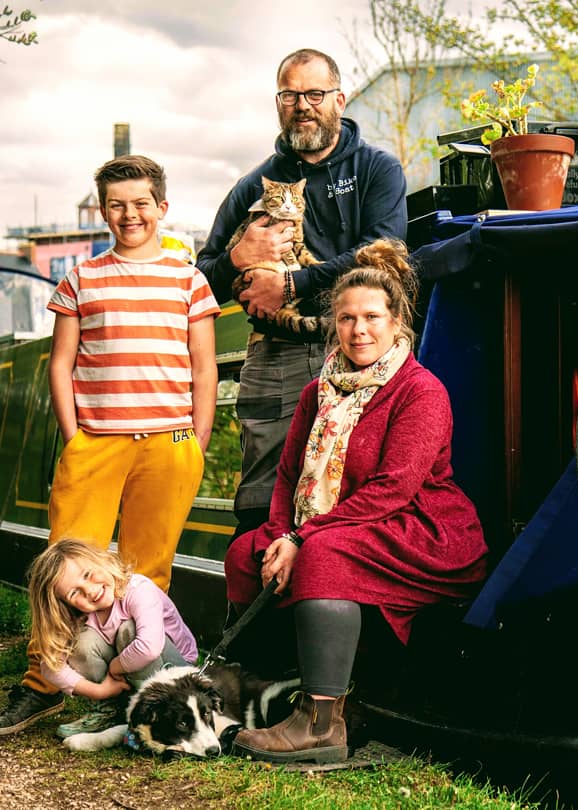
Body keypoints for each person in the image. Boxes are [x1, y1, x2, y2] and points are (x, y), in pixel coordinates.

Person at [224, 239, 487, 764]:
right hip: (342, 526)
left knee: (324, 559)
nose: (358, 330)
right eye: (346, 318)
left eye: (371, 317)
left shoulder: (420, 390)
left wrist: (302, 538)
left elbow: (395, 487)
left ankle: (321, 724)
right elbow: (288, 475)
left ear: (397, 323)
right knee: (245, 553)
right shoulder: (318, 389)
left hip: (423, 529)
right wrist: (280, 533)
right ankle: (261, 691)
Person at [0, 154, 219, 736]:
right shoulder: (82, 278)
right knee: (62, 568)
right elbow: (62, 363)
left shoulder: (188, 278)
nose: (130, 215)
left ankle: (137, 693)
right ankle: (42, 685)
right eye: (117, 204)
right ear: (104, 211)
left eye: (141, 203)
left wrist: (194, 441)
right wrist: (76, 439)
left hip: (168, 445)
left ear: (162, 207)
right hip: (96, 444)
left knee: (148, 573)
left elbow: (203, 367)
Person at [197, 47, 408, 540]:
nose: (303, 105)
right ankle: (250, 614)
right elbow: (202, 276)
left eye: (314, 94)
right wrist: (238, 258)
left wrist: (292, 283)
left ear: (339, 98)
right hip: (276, 355)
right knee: (260, 502)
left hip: (360, 347)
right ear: (278, 103)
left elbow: (387, 251)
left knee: (357, 492)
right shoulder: (254, 184)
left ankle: (336, 605)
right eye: (290, 95)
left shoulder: (378, 169)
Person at [26, 540, 199, 737]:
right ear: (64, 604)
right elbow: (50, 667)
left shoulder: (137, 589)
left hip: (175, 671)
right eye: (74, 592)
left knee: (128, 629)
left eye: (88, 574)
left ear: (102, 560)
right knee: (80, 642)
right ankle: (111, 710)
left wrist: (115, 667)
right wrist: (99, 691)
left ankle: (160, 714)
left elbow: (149, 647)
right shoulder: (78, 615)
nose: (90, 591)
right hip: (128, 676)